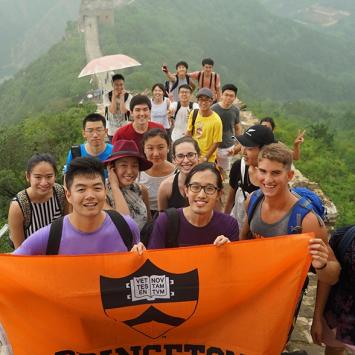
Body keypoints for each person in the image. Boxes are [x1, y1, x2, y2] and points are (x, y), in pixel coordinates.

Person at [240, 143, 340, 283]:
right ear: (256, 171)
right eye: (263, 171)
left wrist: (322, 266)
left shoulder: (307, 220)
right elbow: (244, 238)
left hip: (286, 294)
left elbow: (333, 276)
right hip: (255, 283)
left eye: (276, 173)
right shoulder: (252, 201)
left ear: (290, 175)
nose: (268, 180)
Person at [13, 157, 142, 255]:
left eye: (97, 188)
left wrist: (139, 255)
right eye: (81, 189)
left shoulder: (126, 226)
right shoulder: (50, 236)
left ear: (104, 191)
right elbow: (13, 265)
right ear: (68, 195)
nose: (90, 195)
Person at [147, 163, 239, 249]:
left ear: (219, 194)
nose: (201, 195)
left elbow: (233, 264)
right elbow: (153, 260)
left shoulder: (229, 225)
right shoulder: (166, 221)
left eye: (210, 188)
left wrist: (229, 250)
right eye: (195, 187)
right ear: (186, 191)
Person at [8, 153, 67, 249]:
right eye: (38, 177)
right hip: (31, 256)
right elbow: (20, 249)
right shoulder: (19, 205)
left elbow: (68, 229)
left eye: (49, 176)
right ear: (28, 176)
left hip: (58, 253)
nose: (44, 183)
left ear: (55, 176)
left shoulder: (62, 193)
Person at [311, 225, 355, 354]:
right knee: (334, 349)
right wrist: (317, 317)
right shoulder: (345, 237)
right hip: (338, 321)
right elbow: (327, 280)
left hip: (338, 320)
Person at [224, 125, 275, 216]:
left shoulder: (273, 179)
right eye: (243, 146)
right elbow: (230, 200)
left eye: (249, 148)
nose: (243, 152)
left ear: (264, 150)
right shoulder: (238, 166)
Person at [104, 139, 153, 230]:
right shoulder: (101, 193)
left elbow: (149, 224)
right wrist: (115, 187)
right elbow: (123, 222)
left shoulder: (141, 190)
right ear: (112, 167)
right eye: (123, 165)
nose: (130, 172)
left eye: (134, 166)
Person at [138, 128, 176, 216]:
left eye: (161, 147)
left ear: (168, 147)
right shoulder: (137, 173)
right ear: (144, 149)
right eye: (150, 148)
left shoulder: (177, 173)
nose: (156, 153)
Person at [158, 136, 200, 211]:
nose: (186, 160)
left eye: (190, 155)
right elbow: (162, 218)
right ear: (174, 159)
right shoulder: (166, 187)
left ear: (198, 156)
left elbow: (218, 216)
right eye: (180, 156)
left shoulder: (210, 184)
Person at [64, 113, 113, 177]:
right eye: (90, 131)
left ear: (106, 131)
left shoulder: (114, 152)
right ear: (84, 133)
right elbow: (67, 178)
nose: (95, 135)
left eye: (99, 130)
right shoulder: (76, 153)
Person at [186, 88, 222, 163]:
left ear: (211, 101)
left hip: (208, 159)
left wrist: (205, 158)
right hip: (194, 155)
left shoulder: (216, 120)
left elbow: (217, 142)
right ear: (197, 101)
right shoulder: (194, 113)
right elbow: (189, 133)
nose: (203, 103)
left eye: (206, 100)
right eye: (201, 100)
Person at [211, 84, 241, 175]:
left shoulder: (235, 110)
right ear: (221, 95)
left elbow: (237, 128)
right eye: (226, 95)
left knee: (224, 172)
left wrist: (237, 143)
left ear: (235, 97)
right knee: (212, 170)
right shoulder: (213, 109)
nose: (228, 98)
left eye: (231, 96)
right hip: (214, 146)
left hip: (228, 146)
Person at [103, 73, 132, 142]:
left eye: (121, 84)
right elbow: (112, 110)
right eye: (116, 85)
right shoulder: (107, 96)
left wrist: (122, 98)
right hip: (112, 131)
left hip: (124, 129)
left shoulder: (128, 96)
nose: (119, 87)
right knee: (114, 150)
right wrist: (113, 97)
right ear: (112, 85)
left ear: (124, 85)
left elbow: (123, 111)